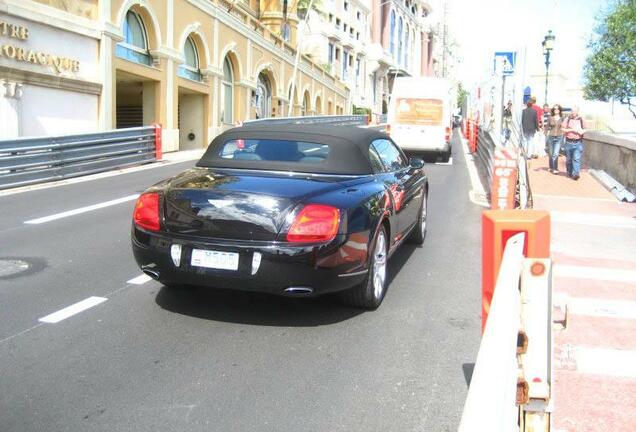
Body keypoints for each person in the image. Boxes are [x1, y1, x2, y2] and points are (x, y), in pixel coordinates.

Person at [561, 105, 586, 180]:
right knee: (569, 159)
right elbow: (562, 129)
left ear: (578, 111)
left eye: (575, 111)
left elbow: (586, 129)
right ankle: (569, 172)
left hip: (578, 142)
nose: (573, 112)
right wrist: (572, 130)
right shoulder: (567, 119)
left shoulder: (581, 119)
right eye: (572, 111)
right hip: (568, 142)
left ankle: (576, 174)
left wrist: (582, 131)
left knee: (576, 158)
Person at [545, 104, 564, 174]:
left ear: (559, 110)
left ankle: (555, 168)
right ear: (553, 110)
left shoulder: (562, 118)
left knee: (555, 153)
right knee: (551, 153)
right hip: (551, 137)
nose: (556, 110)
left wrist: (564, 133)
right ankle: (551, 167)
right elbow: (547, 127)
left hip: (559, 137)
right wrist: (545, 133)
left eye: (558, 109)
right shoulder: (550, 117)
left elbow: (564, 126)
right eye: (555, 109)